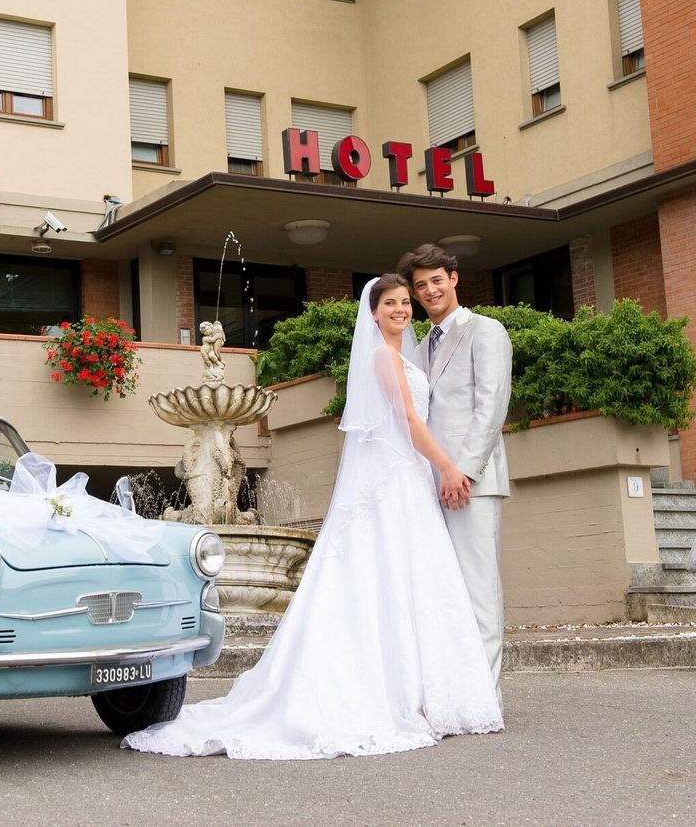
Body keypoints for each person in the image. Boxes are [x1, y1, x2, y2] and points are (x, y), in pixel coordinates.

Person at [121, 275, 503, 760]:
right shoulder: (382, 359)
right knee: (383, 580)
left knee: (408, 582)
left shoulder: (403, 356)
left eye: (406, 302)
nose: (403, 310)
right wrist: (447, 464)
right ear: (373, 311)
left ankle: (424, 694)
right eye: (392, 303)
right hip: (395, 480)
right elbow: (408, 423)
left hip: (407, 482)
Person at [399, 243, 513, 692]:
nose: (429, 291)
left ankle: (485, 696)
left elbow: (491, 406)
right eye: (421, 285)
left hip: (472, 484)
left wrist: (462, 471)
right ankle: (453, 693)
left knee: (479, 593)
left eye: (436, 281)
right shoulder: (421, 346)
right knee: (445, 594)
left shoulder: (485, 331)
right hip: (430, 487)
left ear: (454, 279)